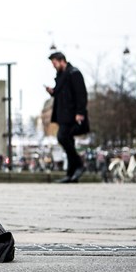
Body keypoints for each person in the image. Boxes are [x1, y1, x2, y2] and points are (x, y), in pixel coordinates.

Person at [45, 51, 88, 183]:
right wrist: (52, 92)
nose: (53, 66)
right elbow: (60, 93)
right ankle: (71, 174)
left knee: (62, 137)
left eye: (54, 63)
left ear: (61, 60)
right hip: (63, 114)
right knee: (68, 140)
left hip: (72, 115)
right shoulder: (62, 76)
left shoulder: (74, 73)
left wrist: (80, 112)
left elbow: (81, 93)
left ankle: (79, 165)